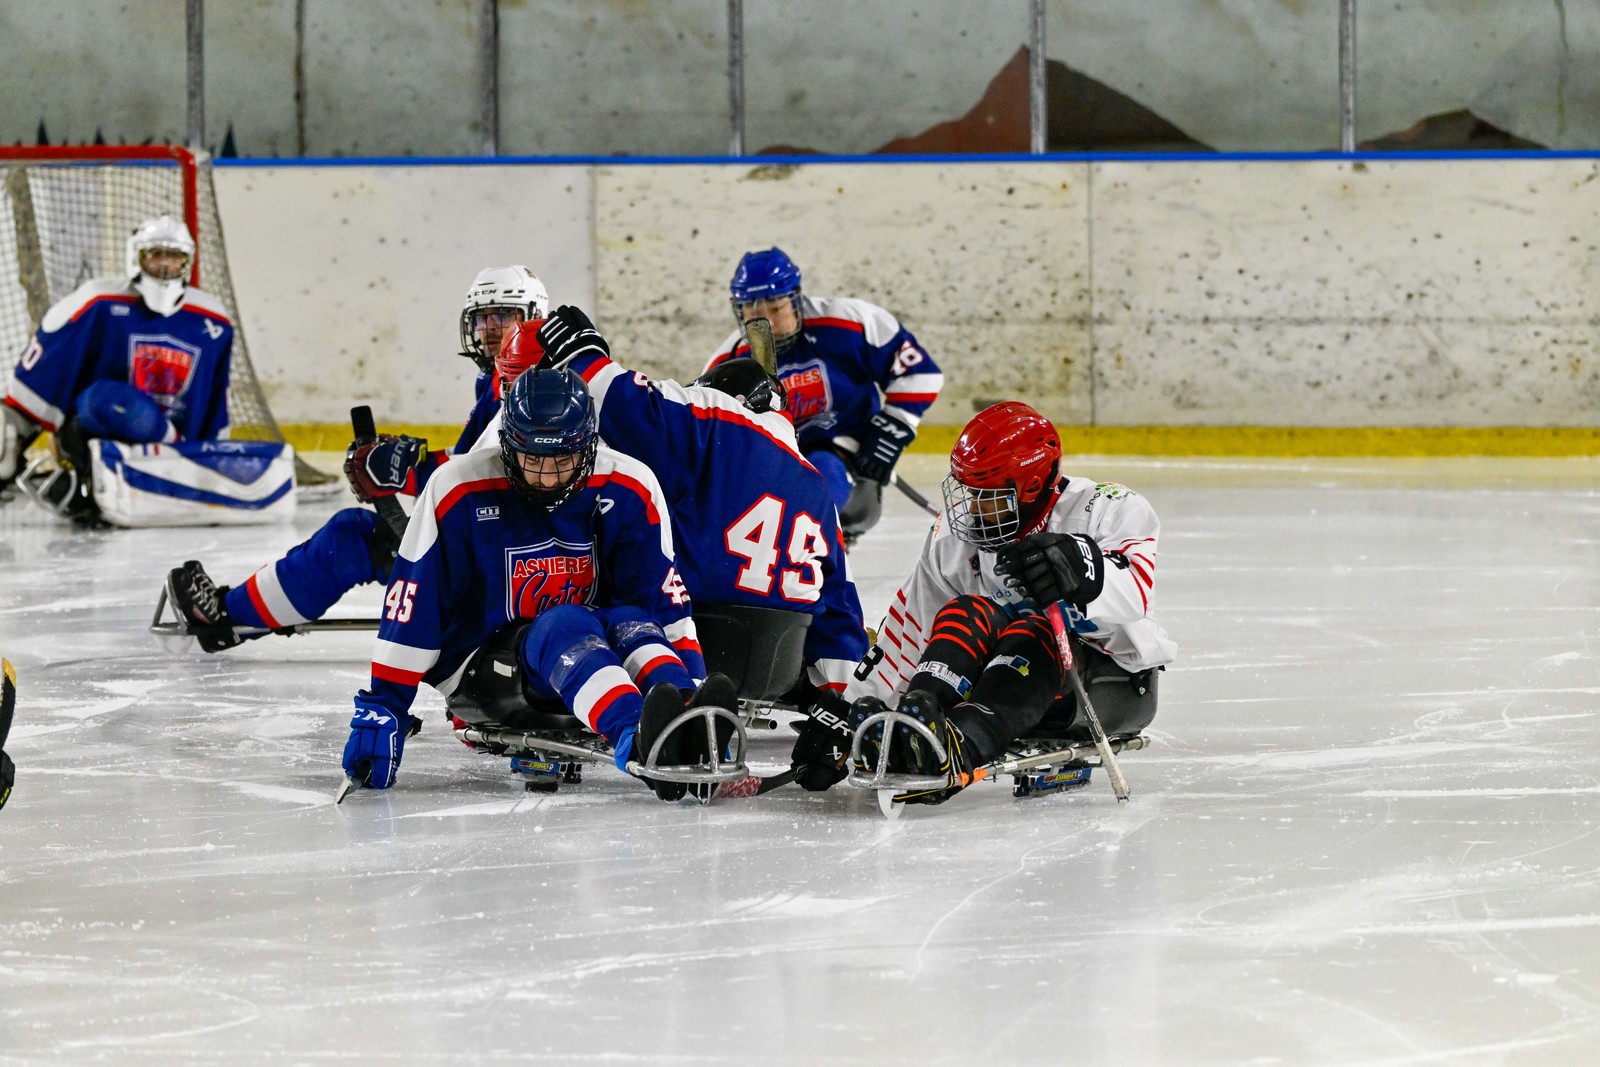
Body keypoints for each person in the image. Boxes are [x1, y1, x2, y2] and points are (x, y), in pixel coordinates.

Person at [340, 367, 725, 802]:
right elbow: (413, 607)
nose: (546, 478)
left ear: (588, 446)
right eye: (533, 461)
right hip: (482, 668)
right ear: (508, 446)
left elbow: (664, 603)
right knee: (564, 623)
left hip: (581, 661)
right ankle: (639, 733)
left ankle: (692, 717)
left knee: (633, 622)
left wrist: (692, 679)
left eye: (562, 462)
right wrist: (385, 706)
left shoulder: (630, 484)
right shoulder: (457, 489)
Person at [162, 269, 548, 653]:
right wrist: (408, 462)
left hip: (513, 561)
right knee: (360, 536)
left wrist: (406, 471)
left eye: (504, 316)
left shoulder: (530, 387)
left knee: (352, 539)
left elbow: (488, 475)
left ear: (534, 318)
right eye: (483, 318)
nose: (491, 329)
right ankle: (233, 614)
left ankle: (228, 619)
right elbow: (474, 461)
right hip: (502, 546)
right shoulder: (499, 382)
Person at [821, 401, 1178, 804]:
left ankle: (963, 747)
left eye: (985, 495)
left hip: (1107, 686)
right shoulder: (956, 538)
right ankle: (916, 727)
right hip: (1005, 682)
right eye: (967, 492)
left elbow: (1135, 593)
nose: (970, 508)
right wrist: (843, 721)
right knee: (966, 612)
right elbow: (909, 629)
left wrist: (1086, 570)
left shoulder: (1106, 509)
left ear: (1028, 488)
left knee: (1032, 629)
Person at [532, 306, 868, 706]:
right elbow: (839, 599)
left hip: (688, 647)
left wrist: (583, 353)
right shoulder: (815, 483)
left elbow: (632, 409)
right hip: (776, 665)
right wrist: (841, 699)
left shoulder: (717, 417)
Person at [1, 216, 234, 521]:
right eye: (155, 255)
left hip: (176, 451)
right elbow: (40, 381)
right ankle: (87, 481)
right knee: (109, 402)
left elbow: (215, 402)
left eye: (174, 257)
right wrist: (13, 437)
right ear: (136, 257)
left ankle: (162, 469)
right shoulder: (97, 301)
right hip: (97, 432)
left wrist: (211, 459)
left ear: (186, 261)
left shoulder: (213, 319)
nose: (165, 265)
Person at [705, 247, 943, 544]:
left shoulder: (850, 323)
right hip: (778, 468)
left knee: (825, 471)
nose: (765, 322)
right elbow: (713, 437)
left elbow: (921, 373)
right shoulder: (727, 363)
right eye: (753, 312)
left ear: (795, 299)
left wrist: (891, 430)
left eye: (775, 309)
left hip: (850, 458)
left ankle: (812, 548)